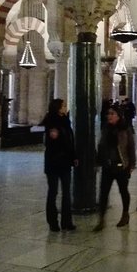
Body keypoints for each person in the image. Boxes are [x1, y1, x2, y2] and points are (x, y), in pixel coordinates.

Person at [94, 104, 136, 231]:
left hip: (121, 165)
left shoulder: (125, 129)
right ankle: (101, 219)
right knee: (103, 192)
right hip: (108, 165)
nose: (110, 116)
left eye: (112, 114)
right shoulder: (106, 128)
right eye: (109, 114)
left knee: (123, 190)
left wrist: (131, 164)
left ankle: (125, 214)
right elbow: (101, 146)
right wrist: (98, 161)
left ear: (118, 116)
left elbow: (131, 147)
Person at [41, 98, 78, 232]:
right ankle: (53, 222)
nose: (65, 107)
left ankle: (67, 221)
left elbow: (70, 140)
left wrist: (73, 156)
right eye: (63, 106)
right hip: (54, 162)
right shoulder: (51, 122)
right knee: (53, 192)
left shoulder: (65, 121)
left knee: (67, 193)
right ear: (57, 108)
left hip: (65, 162)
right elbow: (54, 143)